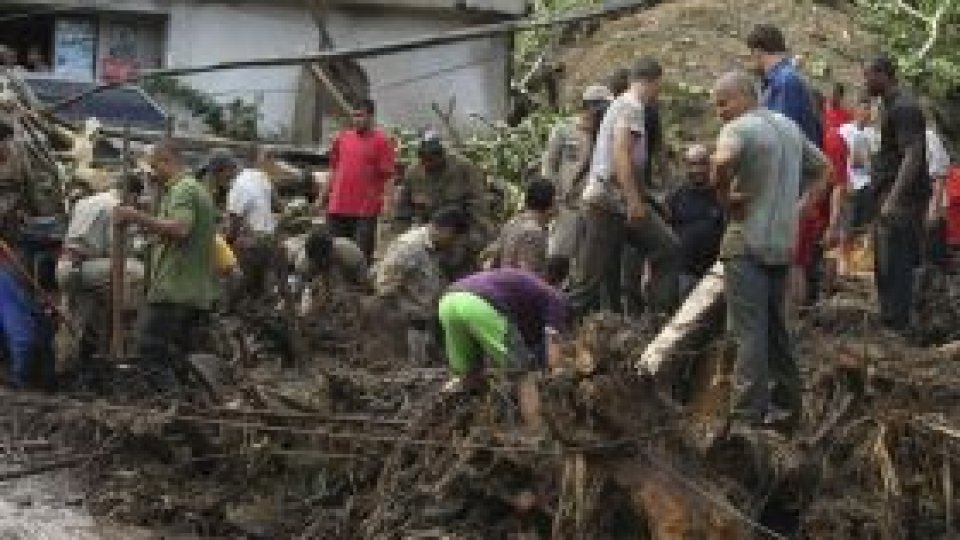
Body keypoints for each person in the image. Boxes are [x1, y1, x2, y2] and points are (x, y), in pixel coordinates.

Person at [710, 71, 830, 431]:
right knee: (777, 330)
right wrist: (806, 205)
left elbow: (720, 161)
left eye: (723, 102)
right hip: (781, 245)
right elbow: (825, 169)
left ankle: (747, 419)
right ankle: (789, 408)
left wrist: (724, 195)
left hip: (746, 244)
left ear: (745, 96)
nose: (719, 112)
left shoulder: (739, 129)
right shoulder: (789, 128)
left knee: (748, 332)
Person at [568, 57, 681, 318]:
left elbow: (633, 161)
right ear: (652, 82)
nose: (658, 94)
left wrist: (647, 199)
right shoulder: (631, 107)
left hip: (615, 201)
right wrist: (633, 201)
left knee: (667, 248)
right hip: (608, 203)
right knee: (588, 282)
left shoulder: (623, 105)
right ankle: (552, 334)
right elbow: (621, 153)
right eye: (658, 88)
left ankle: (658, 320)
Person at [113, 139, 218, 394]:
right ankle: (190, 407)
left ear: (167, 161)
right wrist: (154, 234)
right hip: (194, 291)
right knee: (178, 357)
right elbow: (180, 232)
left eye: (154, 167)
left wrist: (133, 215)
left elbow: (181, 229)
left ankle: (174, 406)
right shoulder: (195, 188)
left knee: (149, 350)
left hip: (174, 288)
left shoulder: (182, 189)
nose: (153, 174)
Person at [864, 55, 930, 333]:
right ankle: (891, 319)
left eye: (868, 75)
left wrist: (893, 198)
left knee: (896, 261)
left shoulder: (904, 107)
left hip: (901, 199)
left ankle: (898, 325)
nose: (865, 81)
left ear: (883, 74)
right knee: (885, 262)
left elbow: (913, 155)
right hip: (888, 194)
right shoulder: (889, 106)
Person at [57, 175, 146, 378]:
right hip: (84, 267)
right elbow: (117, 250)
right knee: (137, 270)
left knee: (75, 319)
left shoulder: (86, 201)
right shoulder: (117, 207)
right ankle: (125, 334)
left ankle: (66, 369)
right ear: (132, 195)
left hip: (66, 265)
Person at [438, 268, 570, 387]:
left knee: (467, 373)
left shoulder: (527, 294)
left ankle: (463, 408)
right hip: (478, 303)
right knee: (522, 371)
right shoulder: (555, 301)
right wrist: (558, 371)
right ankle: (534, 415)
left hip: (448, 302)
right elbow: (554, 343)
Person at [373, 206, 470, 362]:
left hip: (424, 320)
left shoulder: (435, 246)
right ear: (445, 230)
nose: (454, 243)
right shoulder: (409, 248)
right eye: (454, 238)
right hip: (407, 324)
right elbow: (385, 287)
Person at [540, 85, 611, 274]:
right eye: (595, 107)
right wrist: (553, 195)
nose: (599, 113)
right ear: (586, 106)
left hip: (595, 205)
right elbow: (549, 164)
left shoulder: (608, 134)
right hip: (567, 204)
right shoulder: (564, 130)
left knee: (588, 261)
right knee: (559, 256)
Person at [398, 135, 490, 277]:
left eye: (432, 160)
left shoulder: (464, 168)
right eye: (424, 161)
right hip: (428, 233)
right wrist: (403, 239)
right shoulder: (413, 172)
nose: (428, 165)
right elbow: (402, 211)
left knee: (459, 271)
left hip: (459, 234)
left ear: (442, 156)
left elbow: (479, 208)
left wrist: (473, 239)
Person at [0, 119, 43, 388]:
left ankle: (20, 374)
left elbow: (32, 195)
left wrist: (31, 213)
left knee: (14, 304)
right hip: (9, 242)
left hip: (12, 241)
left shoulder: (18, 158)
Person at [327, 98, 396, 261]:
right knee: (334, 253)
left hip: (365, 210)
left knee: (360, 256)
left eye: (360, 116)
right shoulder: (342, 138)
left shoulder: (382, 141)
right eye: (354, 116)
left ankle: (360, 286)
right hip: (337, 206)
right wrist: (322, 197)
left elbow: (388, 176)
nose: (356, 120)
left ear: (371, 117)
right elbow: (334, 169)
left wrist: (387, 203)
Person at [747, 24, 822, 147]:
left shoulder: (785, 81)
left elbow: (783, 136)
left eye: (751, 53)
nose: (750, 59)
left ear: (758, 51)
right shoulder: (778, 80)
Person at [667, 144, 725, 298]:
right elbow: (664, 232)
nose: (697, 169)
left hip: (715, 274)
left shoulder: (721, 195)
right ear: (685, 166)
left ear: (710, 165)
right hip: (685, 272)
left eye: (702, 163)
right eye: (692, 164)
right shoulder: (676, 196)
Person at [226, 145, 277, 300]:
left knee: (240, 286)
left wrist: (226, 243)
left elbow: (234, 223)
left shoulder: (239, 184)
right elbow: (275, 204)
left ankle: (235, 311)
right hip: (268, 240)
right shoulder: (263, 178)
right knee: (259, 291)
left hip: (251, 244)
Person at [484, 179, 556, 277]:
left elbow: (488, 258)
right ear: (551, 204)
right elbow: (528, 276)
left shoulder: (512, 223)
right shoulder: (533, 233)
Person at [837, 95, 880, 230]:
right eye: (864, 109)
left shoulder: (873, 134)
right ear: (856, 110)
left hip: (865, 185)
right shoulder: (843, 130)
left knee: (862, 227)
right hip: (846, 184)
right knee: (845, 224)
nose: (866, 113)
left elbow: (874, 161)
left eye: (869, 110)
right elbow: (838, 157)